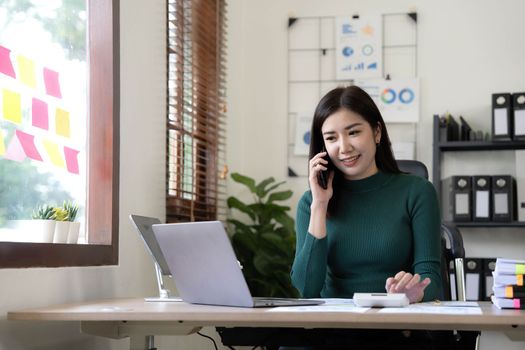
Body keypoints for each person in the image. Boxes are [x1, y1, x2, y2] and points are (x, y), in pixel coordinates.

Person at [289, 85, 444, 349]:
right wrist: (320, 205)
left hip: (396, 329)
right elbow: (306, 289)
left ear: (376, 132)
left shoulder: (417, 192)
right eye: (331, 138)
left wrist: (414, 292)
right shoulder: (311, 203)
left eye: (353, 132)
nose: (344, 147)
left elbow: (430, 274)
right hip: (329, 332)